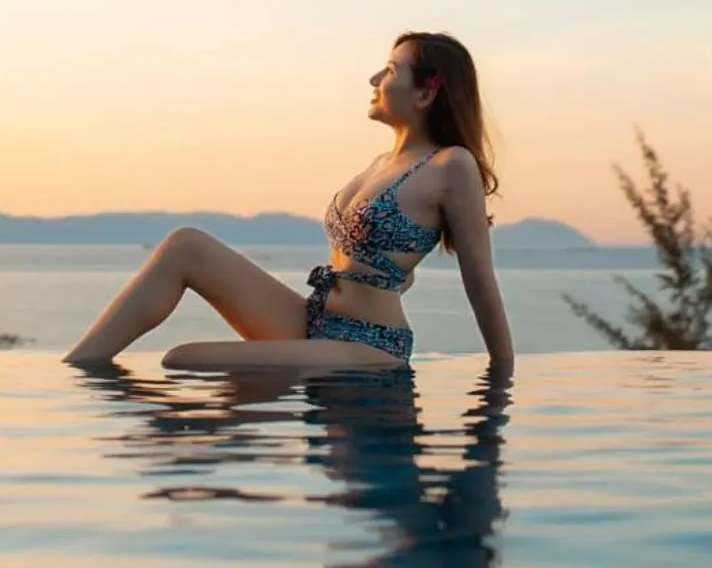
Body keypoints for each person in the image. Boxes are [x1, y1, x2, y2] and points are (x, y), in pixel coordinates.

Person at [62, 30, 515, 375]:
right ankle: (73, 370)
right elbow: (385, 256)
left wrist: (502, 376)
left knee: (183, 359)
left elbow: (479, 278)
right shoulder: (382, 163)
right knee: (187, 245)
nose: (376, 79)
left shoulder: (451, 166)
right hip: (316, 321)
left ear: (426, 92)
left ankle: (251, 470)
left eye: (392, 71)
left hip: (372, 344)